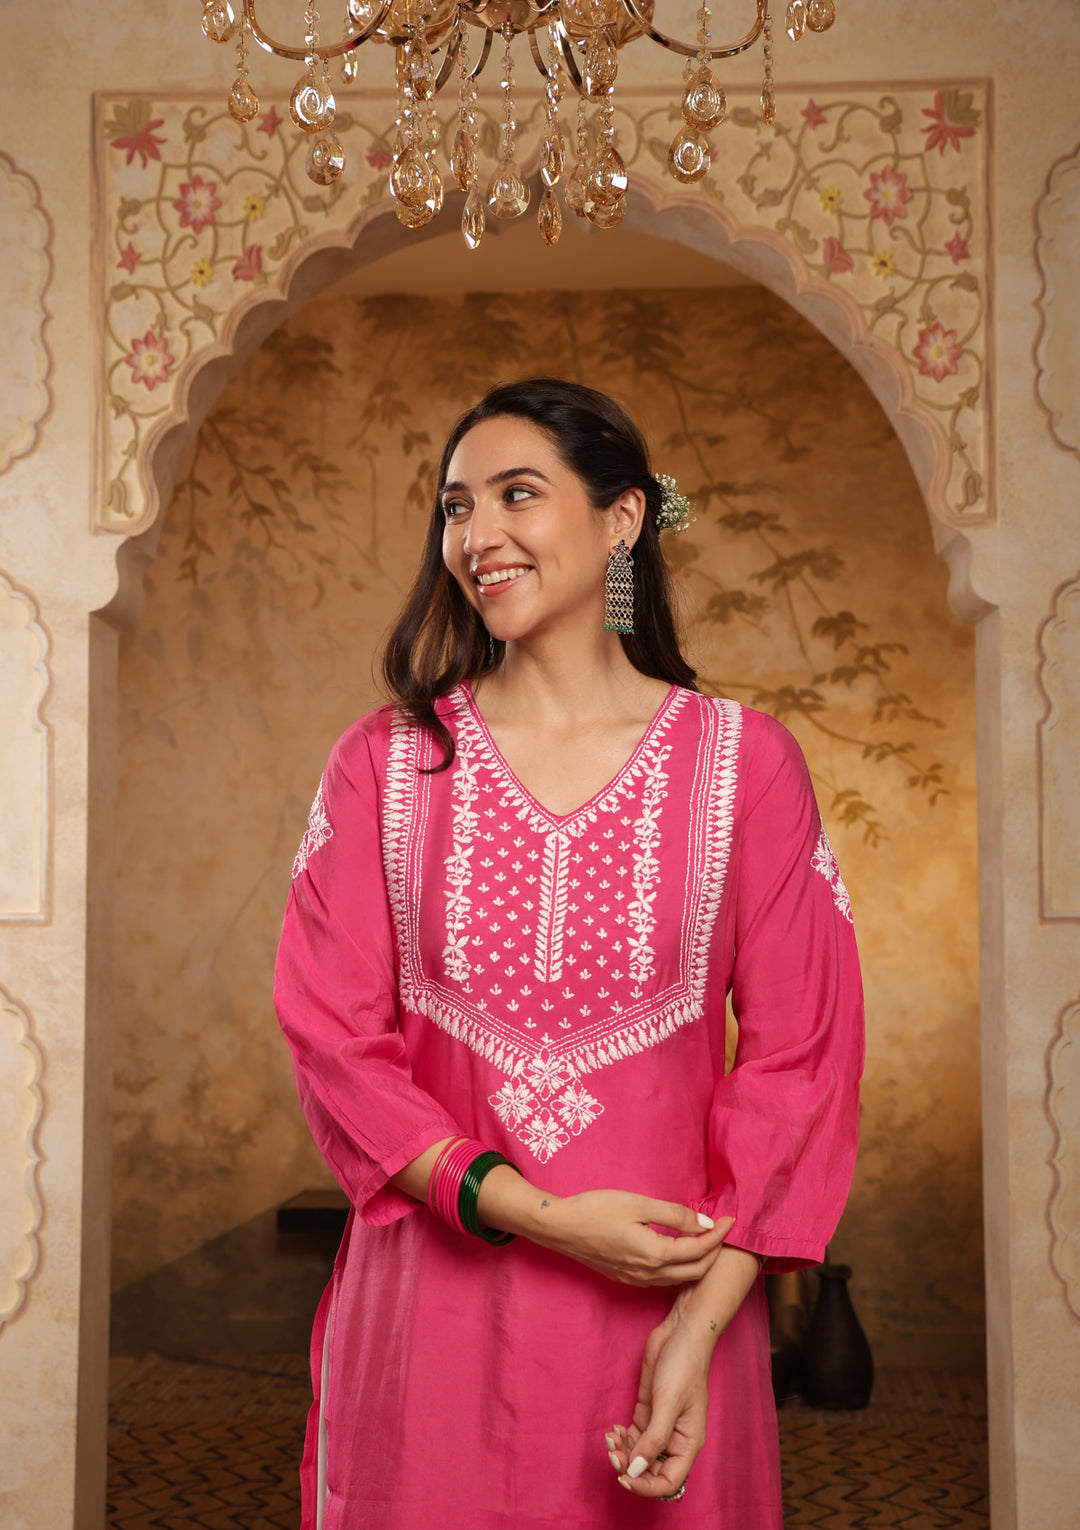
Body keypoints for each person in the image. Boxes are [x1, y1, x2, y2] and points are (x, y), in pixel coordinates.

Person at [273, 378, 864, 1529]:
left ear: (623, 517)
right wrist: (544, 1216)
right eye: (456, 507)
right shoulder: (384, 765)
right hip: (430, 1319)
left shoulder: (746, 765)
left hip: (667, 1316)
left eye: (517, 494)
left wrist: (699, 1324)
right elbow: (332, 1046)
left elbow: (800, 1062)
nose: (476, 536)